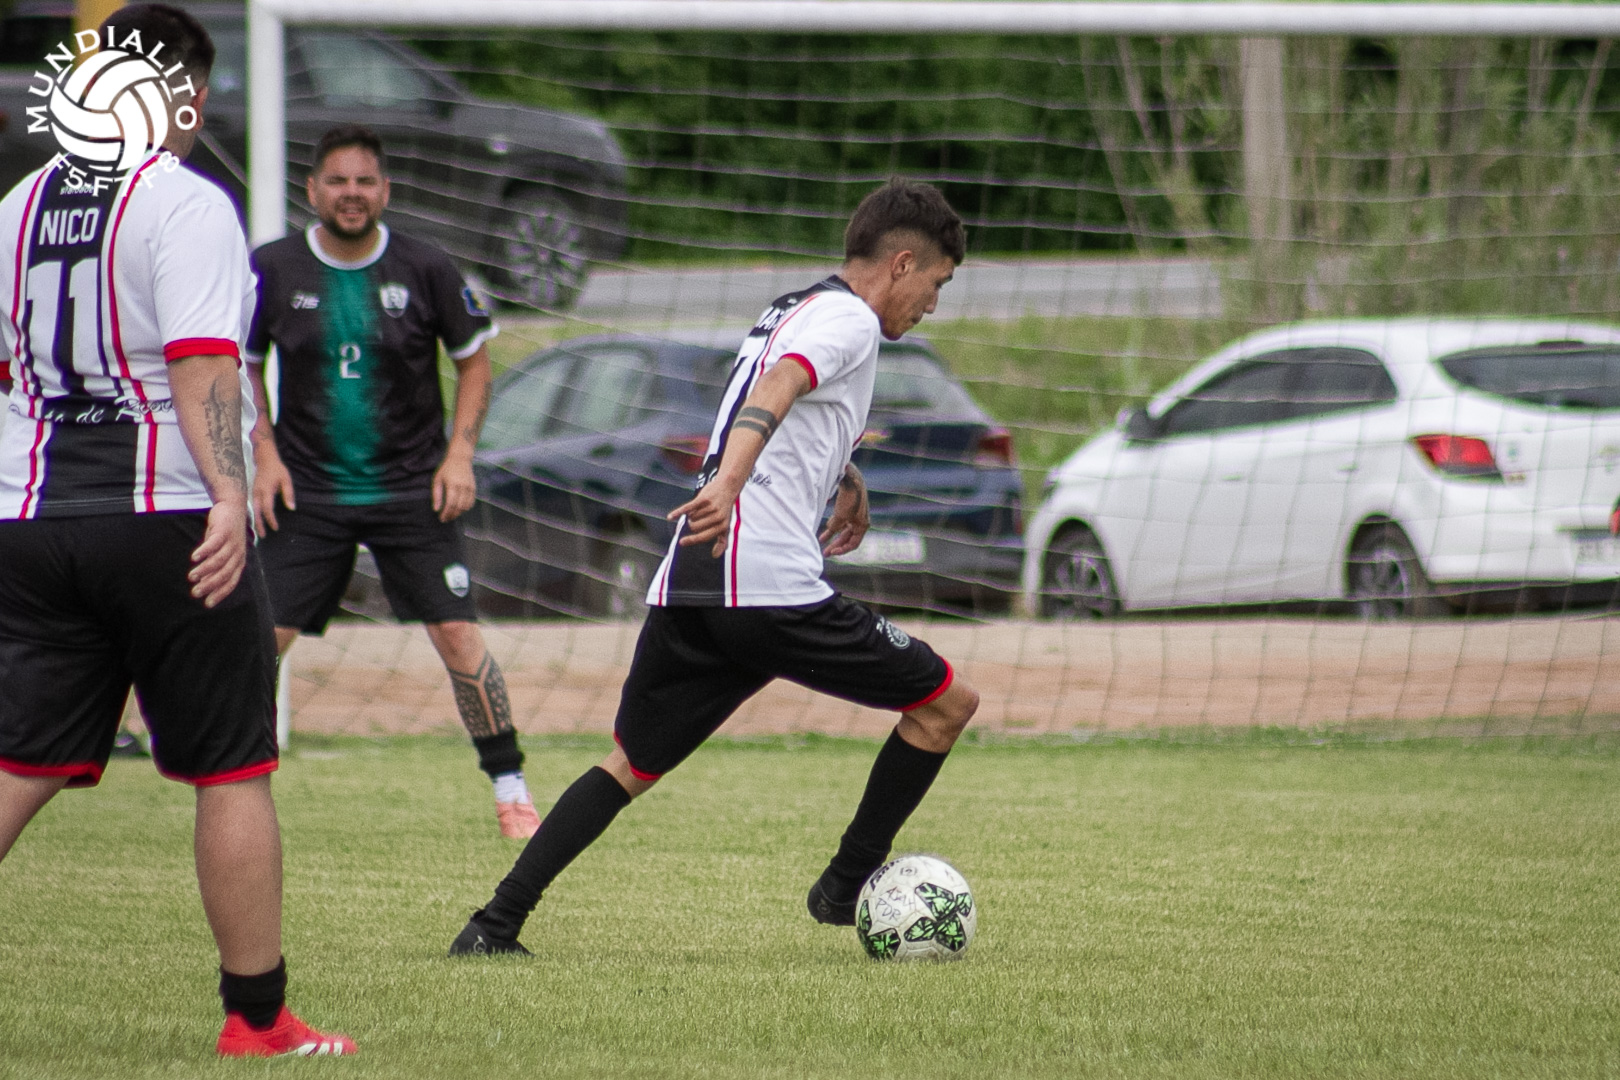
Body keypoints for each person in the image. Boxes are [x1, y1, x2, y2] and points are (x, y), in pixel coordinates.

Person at [448, 178, 980, 956]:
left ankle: (492, 926)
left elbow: (781, 404)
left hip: (695, 573)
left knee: (629, 765)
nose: (932, 303)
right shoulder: (851, 322)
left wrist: (844, 476)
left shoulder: (794, 306)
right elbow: (781, 385)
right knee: (945, 704)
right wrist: (729, 483)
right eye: (937, 283)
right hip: (764, 585)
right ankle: (845, 885)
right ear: (902, 263)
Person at [0, 4, 353, 1057]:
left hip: (29, 517)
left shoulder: (17, 203)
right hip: (163, 515)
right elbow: (202, 361)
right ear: (186, 99)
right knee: (230, 769)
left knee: (17, 763)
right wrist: (231, 497)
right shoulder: (182, 199)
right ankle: (259, 1020)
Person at [245, 126, 538, 838]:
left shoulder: (426, 266)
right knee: (257, 642)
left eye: (364, 181)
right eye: (337, 181)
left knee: (458, 635)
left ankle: (512, 792)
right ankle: (233, 781)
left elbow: (475, 362)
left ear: (385, 191)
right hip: (306, 492)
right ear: (312, 189)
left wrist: (459, 456)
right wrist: (264, 455)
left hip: (413, 490)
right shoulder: (272, 268)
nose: (351, 194)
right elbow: (239, 365)